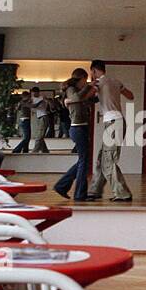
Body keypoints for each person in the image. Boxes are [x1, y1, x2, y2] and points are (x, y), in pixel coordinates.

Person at [85, 59, 134, 202]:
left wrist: (91, 86)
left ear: (94, 70)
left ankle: (122, 193)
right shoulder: (115, 81)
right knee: (102, 157)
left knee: (109, 160)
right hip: (118, 121)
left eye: (91, 73)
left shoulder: (99, 82)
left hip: (112, 123)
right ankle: (95, 190)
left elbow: (85, 97)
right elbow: (131, 96)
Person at [54, 69, 95, 201]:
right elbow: (76, 98)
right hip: (77, 128)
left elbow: (84, 100)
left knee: (83, 161)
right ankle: (78, 194)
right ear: (82, 78)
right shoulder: (71, 89)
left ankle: (62, 186)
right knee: (84, 161)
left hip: (80, 127)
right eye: (85, 80)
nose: (85, 83)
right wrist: (89, 87)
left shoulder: (76, 92)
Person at [29, 87, 50, 153]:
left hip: (43, 116)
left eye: (35, 92)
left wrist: (44, 100)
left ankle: (35, 150)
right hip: (36, 117)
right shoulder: (32, 98)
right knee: (39, 134)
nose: (33, 94)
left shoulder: (42, 98)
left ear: (38, 92)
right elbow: (31, 106)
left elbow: (34, 106)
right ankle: (45, 150)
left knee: (40, 135)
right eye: (33, 92)